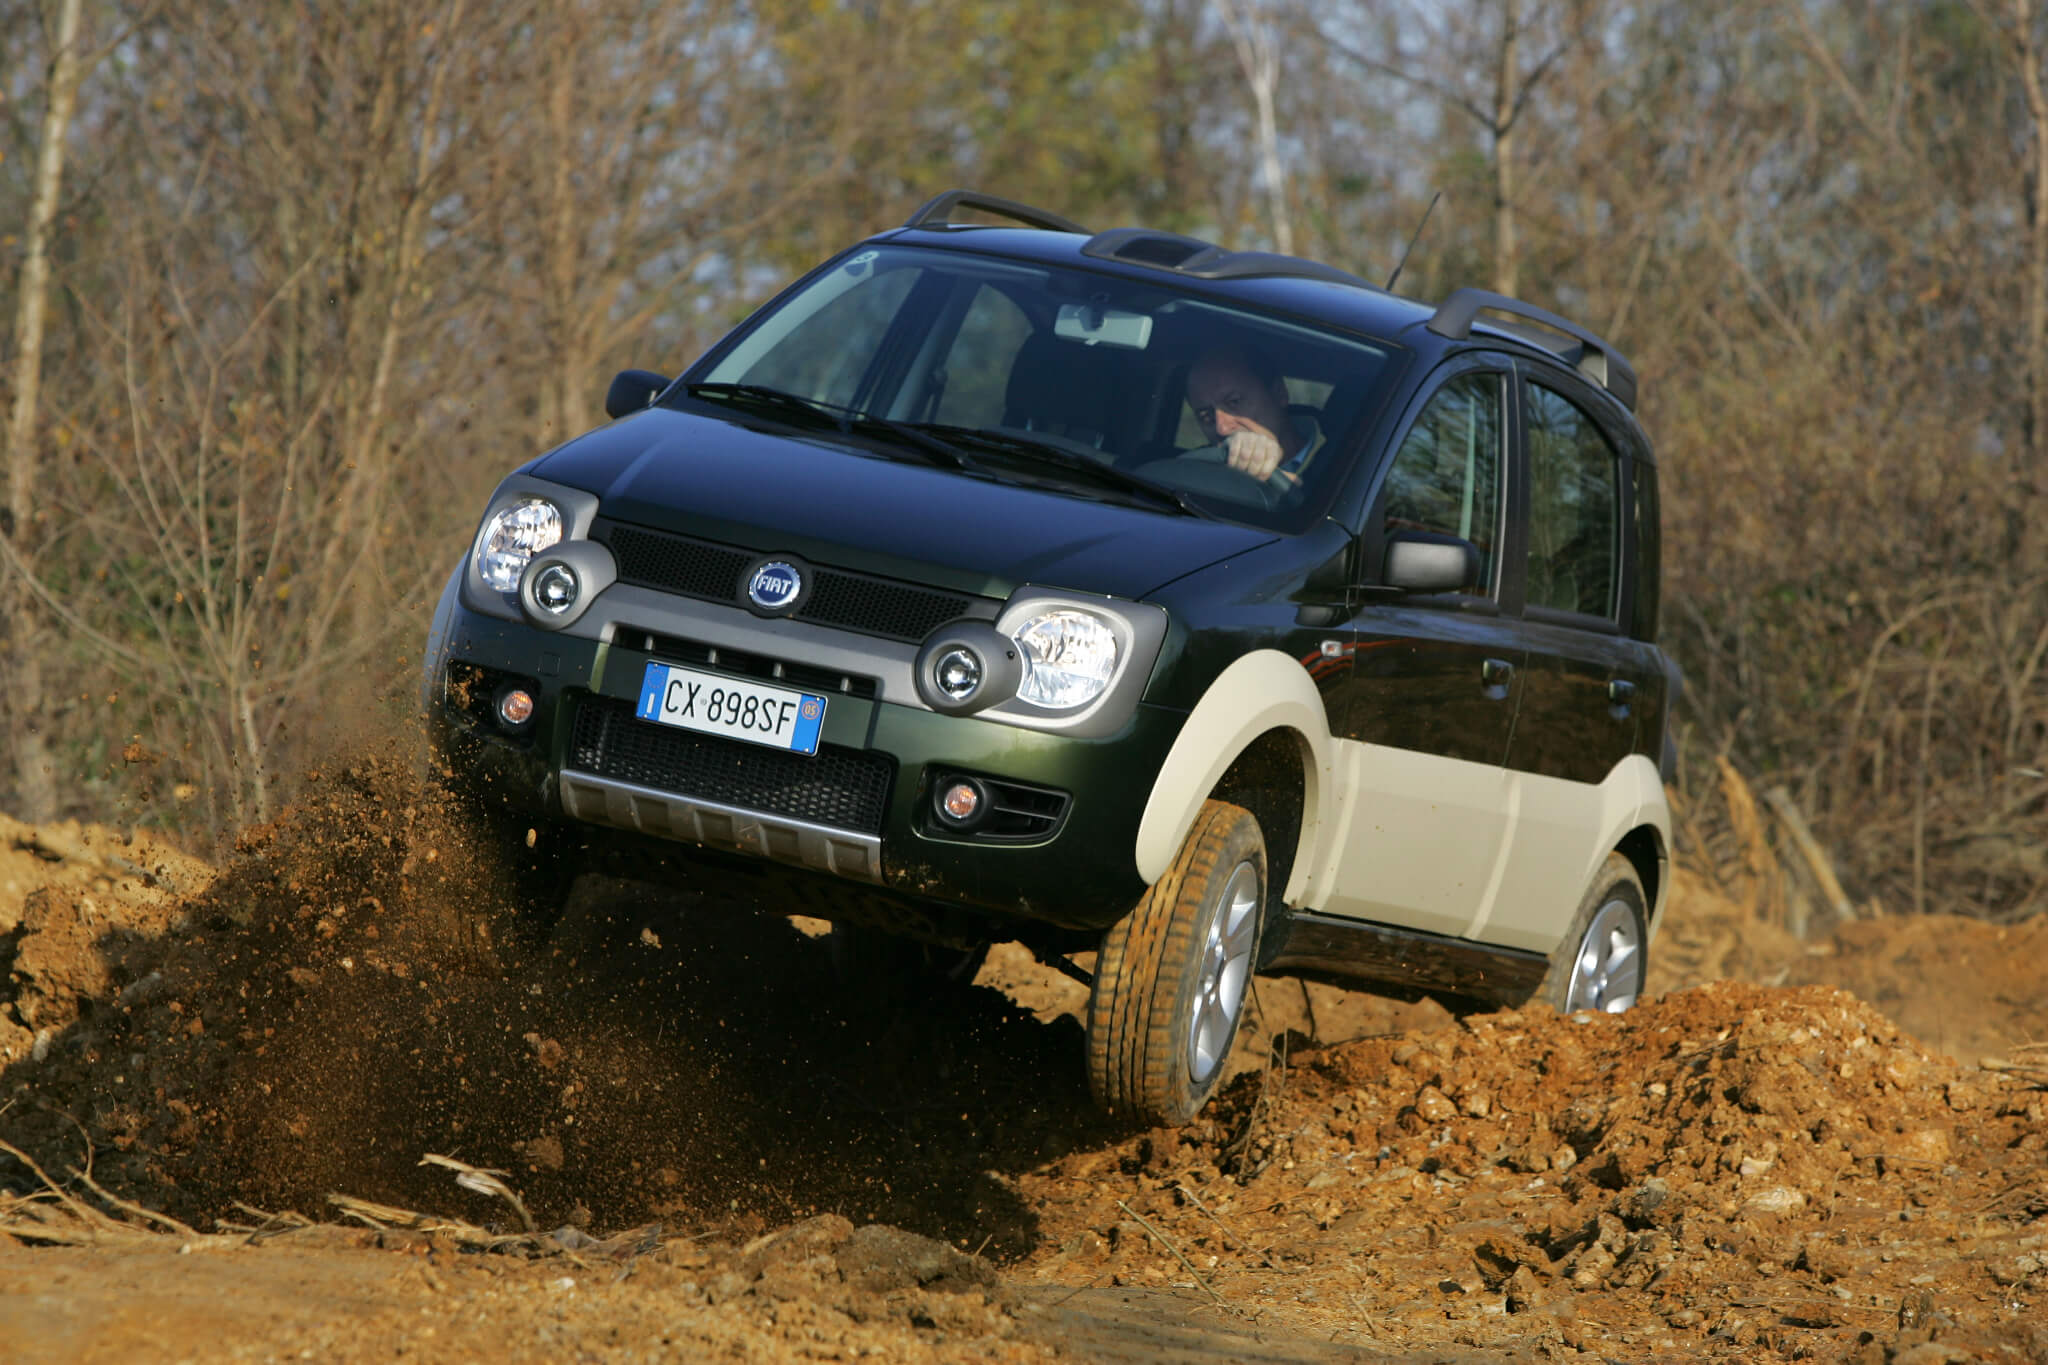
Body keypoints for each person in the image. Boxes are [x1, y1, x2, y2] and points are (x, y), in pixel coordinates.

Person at [1183, 343, 1322, 486]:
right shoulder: (1196, 472)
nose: (1222, 428)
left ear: (1279, 393)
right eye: (1206, 415)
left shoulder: (1338, 467)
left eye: (1234, 402)